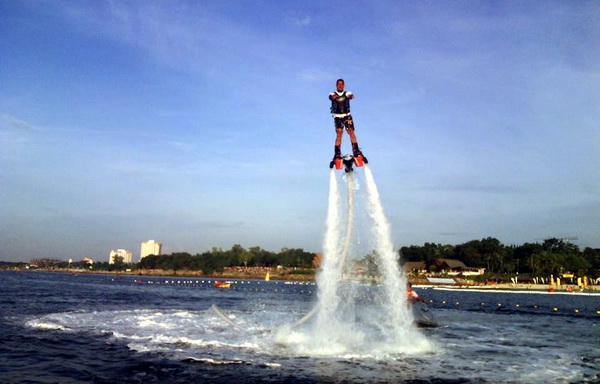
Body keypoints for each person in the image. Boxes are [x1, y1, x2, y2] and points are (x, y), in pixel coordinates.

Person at [329, 79, 365, 161]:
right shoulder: (332, 93)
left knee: (350, 130)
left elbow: (351, 96)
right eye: (339, 84)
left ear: (344, 85)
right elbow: (332, 97)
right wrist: (335, 97)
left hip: (347, 115)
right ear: (336, 85)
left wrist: (349, 97)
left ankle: (355, 149)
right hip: (338, 116)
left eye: (342, 84)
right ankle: (337, 152)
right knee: (339, 132)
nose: (340, 86)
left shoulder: (347, 93)